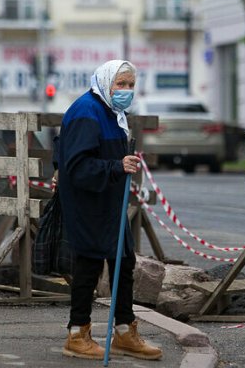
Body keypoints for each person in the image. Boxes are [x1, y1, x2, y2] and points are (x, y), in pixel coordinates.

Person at [56, 60, 163, 361]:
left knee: (123, 263)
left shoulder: (112, 111)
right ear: (106, 82)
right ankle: (77, 333)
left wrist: (119, 165)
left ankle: (124, 332)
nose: (126, 91)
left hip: (109, 203)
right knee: (88, 266)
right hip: (89, 203)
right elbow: (76, 165)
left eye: (131, 85)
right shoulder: (87, 112)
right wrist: (117, 166)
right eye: (121, 84)